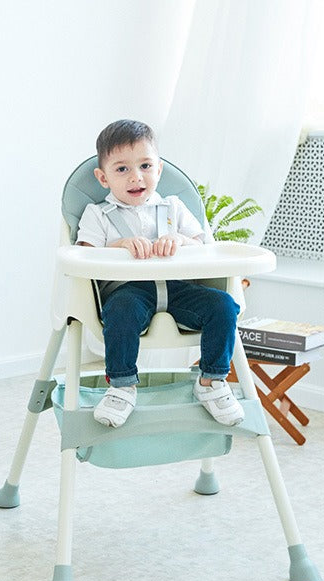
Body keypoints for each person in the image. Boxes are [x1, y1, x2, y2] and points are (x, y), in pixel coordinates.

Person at [76, 118, 244, 429]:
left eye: (145, 166)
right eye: (122, 169)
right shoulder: (97, 214)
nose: (135, 177)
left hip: (179, 289)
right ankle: (122, 386)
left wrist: (179, 239)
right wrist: (120, 245)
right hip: (129, 291)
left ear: (159, 169)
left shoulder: (174, 207)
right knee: (121, 311)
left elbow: (203, 244)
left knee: (223, 305)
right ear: (103, 177)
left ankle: (212, 381)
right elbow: (84, 255)